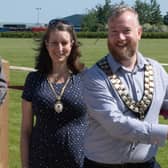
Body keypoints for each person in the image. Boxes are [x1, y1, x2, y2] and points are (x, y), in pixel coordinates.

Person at [81, 4, 168, 168]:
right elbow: (116, 125)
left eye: (126, 31)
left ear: (139, 33)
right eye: (113, 32)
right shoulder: (94, 77)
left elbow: (165, 101)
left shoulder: (156, 70)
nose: (120, 37)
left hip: (146, 164)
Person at [20, 19, 87, 168]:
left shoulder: (86, 78)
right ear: (46, 44)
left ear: (72, 44)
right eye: (54, 43)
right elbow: (25, 130)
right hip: (40, 161)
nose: (60, 48)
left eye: (64, 43)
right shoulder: (33, 80)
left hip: (79, 162)